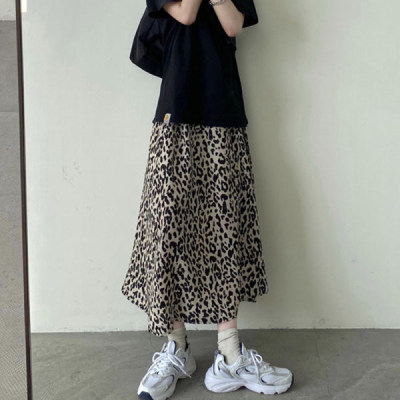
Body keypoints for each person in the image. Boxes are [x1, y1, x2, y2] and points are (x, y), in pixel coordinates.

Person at [120, 0, 294, 398]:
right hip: (175, 114)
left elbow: (232, 25)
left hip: (223, 113)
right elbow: (185, 14)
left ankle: (229, 354)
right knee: (167, 231)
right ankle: (177, 348)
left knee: (225, 229)